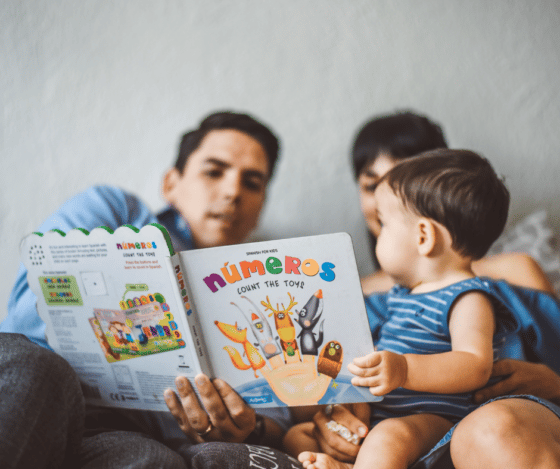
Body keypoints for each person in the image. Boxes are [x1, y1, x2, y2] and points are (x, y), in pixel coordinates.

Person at [0, 111, 302, 469]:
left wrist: (249, 427)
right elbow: (29, 311)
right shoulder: (114, 210)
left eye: (252, 183)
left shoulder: (268, 288)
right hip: (39, 378)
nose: (233, 191)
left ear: (261, 206)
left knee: (153, 461)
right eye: (213, 171)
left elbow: (277, 412)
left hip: (117, 431)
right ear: (171, 184)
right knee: (40, 370)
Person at [299, 111, 560, 469]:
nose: (378, 211)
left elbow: (473, 362)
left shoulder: (492, 283)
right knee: (295, 436)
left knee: (479, 431)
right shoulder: (362, 296)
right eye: (370, 184)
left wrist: (553, 381)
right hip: (387, 419)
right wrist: (336, 408)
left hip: (462, 418)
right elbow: (331, 374)